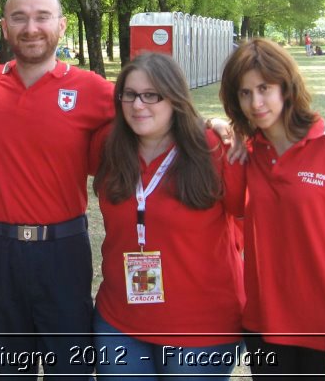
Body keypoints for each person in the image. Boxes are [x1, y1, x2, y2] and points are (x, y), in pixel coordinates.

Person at [0, 0, 116, 378]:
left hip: (62, 251)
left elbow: (158, 114)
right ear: (4, 27)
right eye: (20, 18)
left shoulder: (93, 90)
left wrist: (216, 125)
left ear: (62, 26)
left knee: (70, 370)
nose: (31, 27)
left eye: (42, 17)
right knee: (3, 370)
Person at [219, 39, 325, 379]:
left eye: (264, 88)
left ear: (286, 87)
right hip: (266, 330)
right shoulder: (247, 154)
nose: (256, 102)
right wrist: (214, 123)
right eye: (244, 93)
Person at [93, 53, 245, 381]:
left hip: (201, 330)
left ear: (174, 98)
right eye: (130, 94)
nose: (138, 105)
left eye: (152, 95)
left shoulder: (214, 149)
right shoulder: (110, 148)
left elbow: (251, 223)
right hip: (120, 322)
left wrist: (215, 124)